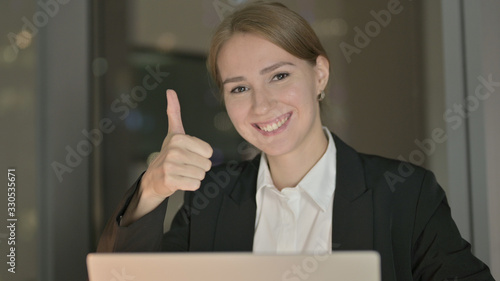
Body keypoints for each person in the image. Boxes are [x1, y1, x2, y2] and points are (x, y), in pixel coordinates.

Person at [97, 2, 495, 281]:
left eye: (280, 76)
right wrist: (151, 190)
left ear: (319, 74)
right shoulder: (209, 199)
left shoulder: (406, 193)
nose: (262, 105)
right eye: (239, 88)